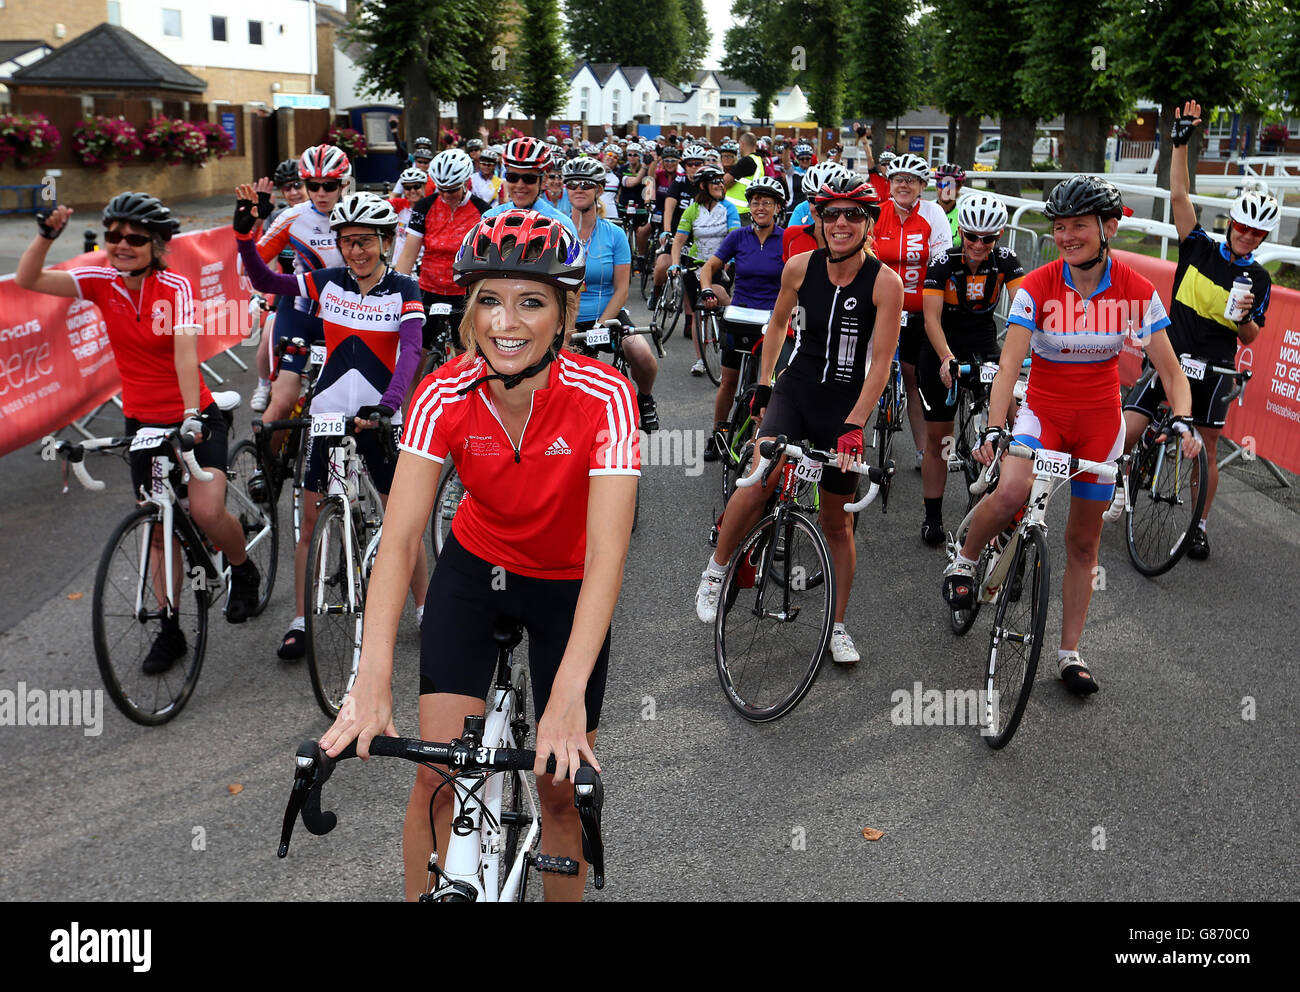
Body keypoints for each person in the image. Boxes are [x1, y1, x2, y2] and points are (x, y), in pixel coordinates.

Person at [318, 208, 639, 902]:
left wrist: (566, 698)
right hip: (475, 569)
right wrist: (370, 678)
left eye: (531, 302)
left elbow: (609, 557)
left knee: (558, 792)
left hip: (567, 583)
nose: (506, 322)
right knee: (437, 778)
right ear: (468, 307)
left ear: (564, 312)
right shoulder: (444, 391)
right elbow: (401, 539)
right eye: (488, 300)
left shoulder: (605, 396)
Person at [941, 175, 1201, 695]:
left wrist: (1184, 417)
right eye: (1059, 227)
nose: (1065, 236)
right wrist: (996, 426)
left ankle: (1069, 653)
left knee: (1083, 542)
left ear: (1107, 228)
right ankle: (965, 559)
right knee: (1013, 490)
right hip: (1043, 412)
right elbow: (1010, 365)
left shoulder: (1133, 289)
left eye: (1078, 226)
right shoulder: (1037, 285)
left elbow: (1171, 372)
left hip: (1099, 422)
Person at [18, 193, 262, 668]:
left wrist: (190, 415)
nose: (121, 245)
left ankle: (243, 569)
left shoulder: (175, 288)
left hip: (193, 414)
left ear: (156, 244)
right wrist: (47, 236)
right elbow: (28, 279)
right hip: (142, 421)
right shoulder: (98, 279)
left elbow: (184, 353)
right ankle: (170, 630)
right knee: (157, 528)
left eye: (134, 238)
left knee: (207, 511)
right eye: (113, 236)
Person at [695, 175, 904, 664]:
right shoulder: (798, 267)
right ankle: (716, 569)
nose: (841, 223)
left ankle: (837, 626)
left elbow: (881, 363)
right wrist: (765, 383)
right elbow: (778, 325)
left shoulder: (886, 283)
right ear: (817, 221)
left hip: (845, 407)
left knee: (836, 523)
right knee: (758, 477)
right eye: (831, 214)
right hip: (796, 390)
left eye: (853, 214)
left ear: (868, 224)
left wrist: (855, 424)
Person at [234, 187, 430, 661]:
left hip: (379, 416)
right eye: (347, 241)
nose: (356, 250)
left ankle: (427, 609)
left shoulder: (403, 288)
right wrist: (244, 233)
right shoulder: (327, 281)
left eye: (366, 240)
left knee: (400, 520)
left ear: (386, 241)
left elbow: (410, 352)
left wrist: (388, 405)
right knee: (308, 521)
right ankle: (301, 619)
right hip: (326, 413)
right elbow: (263, 277)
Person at [1118, 100, 1274, 561]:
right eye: (1242, 225)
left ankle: (1199, 525)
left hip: (1215, 366)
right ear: (1231, 221)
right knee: (1128, 430)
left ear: (1263, 238)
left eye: (1257, 233)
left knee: (1204, 448)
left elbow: (1251, 339)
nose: (1247, 235)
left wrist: (1244, 318)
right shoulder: (1198, 246)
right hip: (1170, 355)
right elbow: (1180, 196)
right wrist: (1180, 141)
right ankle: (1114, 485)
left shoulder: (1260, 280)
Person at [917, 191, 1024, 544]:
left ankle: (1008, 488)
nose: (979, 244)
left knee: (1012, 416)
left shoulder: (1006, 262)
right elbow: (931, 320)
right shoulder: (942, 263)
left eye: (988, 238)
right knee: (940, 438)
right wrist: (947, 358)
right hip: (941, 344)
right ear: (961, 231)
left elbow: (1025, 314)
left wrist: (1017, 356)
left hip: (982, 344)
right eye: (972, 236)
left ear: (999, 236)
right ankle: (933, 516)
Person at [253, 144, 350, 487]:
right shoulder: (292, 217)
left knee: (349, 406)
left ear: (344, 184)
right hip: (299, 316)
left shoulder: (358, 214)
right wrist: (250, 227)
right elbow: (249, 264)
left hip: (344, 319)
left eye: (330, 185)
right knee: (282, 403)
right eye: (313, 185)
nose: (321, 193)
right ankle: (265, 469)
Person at [564, 156, 661, 431]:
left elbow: (621, 289)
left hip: (608, 315)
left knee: (640, 353)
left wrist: (600, 324)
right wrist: (566, 327)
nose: (579, 189)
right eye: (572, 184)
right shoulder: (558, 229)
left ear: (598, 190)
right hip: (567, 318)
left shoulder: (615, 234)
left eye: (586, 184)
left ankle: (645, 398)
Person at [872, 152, 954, 470]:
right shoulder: (878, 214)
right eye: (897, 179)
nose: (903, 185)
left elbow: (941, 261)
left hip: (922, 310)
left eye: (911, 180)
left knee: (914, 378)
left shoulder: (933, 214)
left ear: (922, 185)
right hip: (884, 308)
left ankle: (923, 449)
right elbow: (868, 257)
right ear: (890, 183)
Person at [699, 176, 789, 462]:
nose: (760, 207)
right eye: (755, 202)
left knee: (769, 384)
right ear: (749, 206)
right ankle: (717, 434)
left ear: (777, 207)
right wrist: (705, 289)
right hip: (740, 316)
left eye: (766, 202)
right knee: (728, 382)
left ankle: (758, 439)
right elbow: (709, 267)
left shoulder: (786, 238)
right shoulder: (738, 237)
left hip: (773, 322)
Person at [394, 148, 490, 377]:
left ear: (466, 181)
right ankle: (408, 411)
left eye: (453, 189)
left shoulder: (483, 211)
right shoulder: (424, 207)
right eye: (441, 189)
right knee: (415, 358)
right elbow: (408, 254)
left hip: (463, 291)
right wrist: (395, 292)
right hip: (429, 288)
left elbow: (487, 260)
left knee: (464, 358)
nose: (446, 195)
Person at [669, 166, 741, 375]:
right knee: (696, 311)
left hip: (721, 264)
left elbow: (733, 237)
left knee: (719, 294)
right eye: (715, 181)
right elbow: (679, 240)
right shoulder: (692, 210)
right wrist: (674, 263)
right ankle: (700, 360)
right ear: (703, 186)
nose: (721, 184)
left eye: (721, 180)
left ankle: (733, 320)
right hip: (695, 264)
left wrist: (729, 260)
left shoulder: (729, 208)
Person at [249, 158, 308, 412]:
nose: (293, 192)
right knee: (265, 344)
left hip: (319, 295)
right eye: (286, 188)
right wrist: (257, 221)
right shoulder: (278, 217)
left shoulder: (325, 216)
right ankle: (263, 384)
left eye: (297, 185)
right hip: (286, 292)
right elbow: (263, 262)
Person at [481, 138, 577, 237]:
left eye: (529, 178)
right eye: (512, 177)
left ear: (544, 179)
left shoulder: (563, 225)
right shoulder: (489, 219)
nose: (520, 185)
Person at [388, 167, 429, 266]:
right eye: (407, 188)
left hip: (422, 263)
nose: (412, 191)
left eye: (416, 186)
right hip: (399, 262)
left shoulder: (432, 207)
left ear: (423, 186)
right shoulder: (399, 205)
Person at [720, 134, 763, 225]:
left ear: (742, 144)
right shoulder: (758, 160)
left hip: (738, 212)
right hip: (748, 210)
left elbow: (723, 181)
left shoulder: (747, 161)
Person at [933, 163, 966, 241]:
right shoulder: (925, 211)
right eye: (942, 185)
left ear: (958, 188)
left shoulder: (964, 214)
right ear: (937, 186)